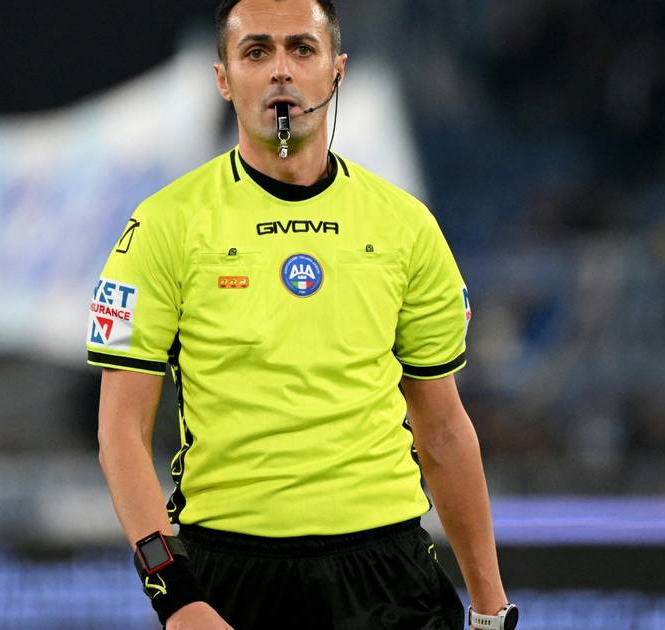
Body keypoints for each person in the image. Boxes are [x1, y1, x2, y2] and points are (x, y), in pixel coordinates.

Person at [89, 1, 514, 628]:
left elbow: (444, 430)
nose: (281, 70)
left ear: (337, 71)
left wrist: (491, 610)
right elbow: (120, 433)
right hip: (232, 576)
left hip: (388, 574)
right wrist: (175, 596)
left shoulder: (406, 227)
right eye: (257, 51)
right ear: (224, 79)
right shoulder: (163, 228)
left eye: (302, 48)